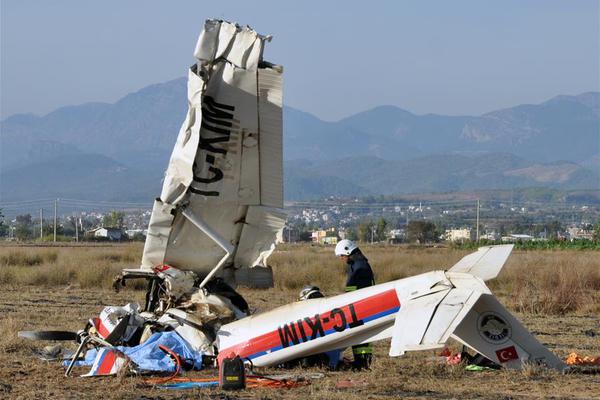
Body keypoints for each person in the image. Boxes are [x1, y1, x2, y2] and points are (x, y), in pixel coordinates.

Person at [334, 239, 375, 370]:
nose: (341, 258)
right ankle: (361, 362)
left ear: (348, 251)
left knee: (361, 336)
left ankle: (363, 362)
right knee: (359, 336)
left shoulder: (360, 267)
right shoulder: (356, 264)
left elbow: (357, 289)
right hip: (356, 306)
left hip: (360, 307)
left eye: (342, 255)